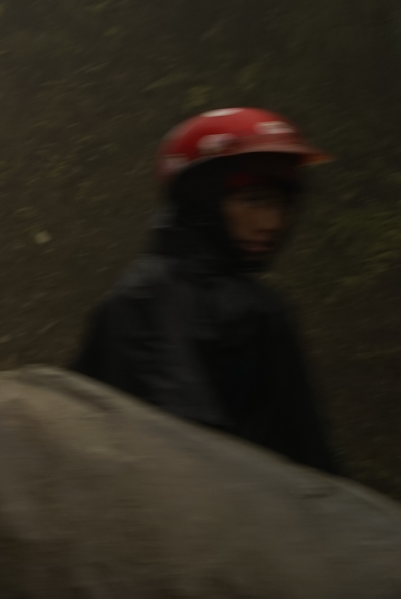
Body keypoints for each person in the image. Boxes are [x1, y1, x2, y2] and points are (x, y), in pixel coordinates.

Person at [71, 107, 340, 473]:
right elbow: (182, 457)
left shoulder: (264, 305)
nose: (273, 223)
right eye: (254, 200)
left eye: (283, 204)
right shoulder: (152, 298)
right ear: (202, 199)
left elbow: (308, 451)